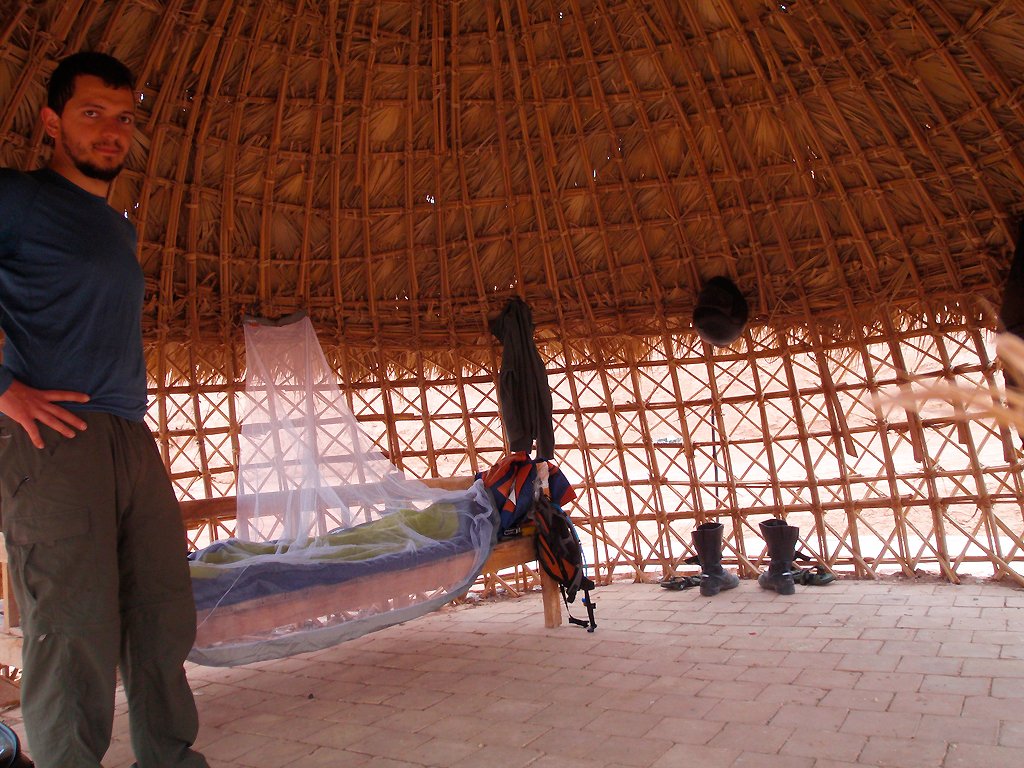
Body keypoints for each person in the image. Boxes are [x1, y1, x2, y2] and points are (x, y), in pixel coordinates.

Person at [0, 51, 208, 768]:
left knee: (161, 614)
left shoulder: (116, 227)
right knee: (72, 626)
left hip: (128, 435)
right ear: (52, 122)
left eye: (123, 118)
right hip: (53, 440)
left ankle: (172, 758)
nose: (112, 131)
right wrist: (3, 386)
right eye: (92, 114)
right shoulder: (18, 198)